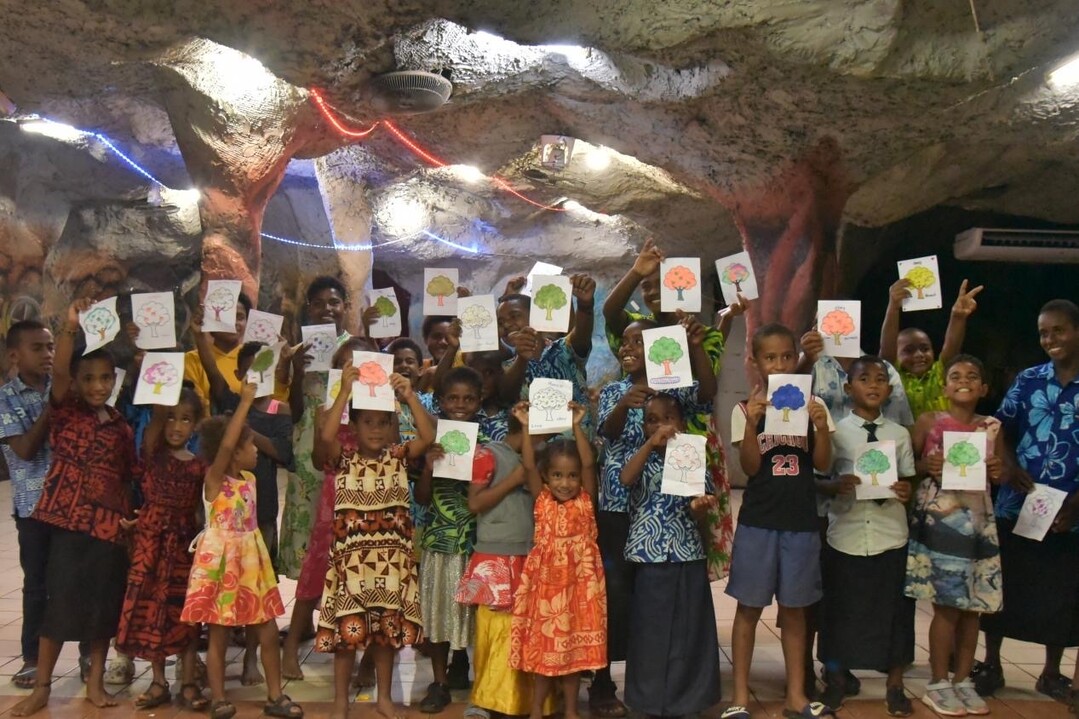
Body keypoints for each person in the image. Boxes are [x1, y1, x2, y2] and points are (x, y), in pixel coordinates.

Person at [12, 299, 137, 717]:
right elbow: (61, 372)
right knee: (58, 607)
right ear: (77, 383)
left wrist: (129, 520)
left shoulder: (119, 424)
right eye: (90, 379)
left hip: (108, 530)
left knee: (101, 611)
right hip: (68, 526)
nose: (98, 386)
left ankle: (96, 685)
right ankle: (42, 688)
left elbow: (127, 474)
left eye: (105, 378)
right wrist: (69, 327)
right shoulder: (65, 411)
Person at [593, 313, 719, 715]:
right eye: (624, 343)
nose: (628, 348)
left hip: (669, 516)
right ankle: (604, 681)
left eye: (638, 342)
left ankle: (669, 683)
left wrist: (696, 347)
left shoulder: (674, 390)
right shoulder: (614, 391)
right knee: (618, 596)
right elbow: (607, 435)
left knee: (661, 606)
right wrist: (624, 406)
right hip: (618, 505)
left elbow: (706, 395)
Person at [602, 238, 735, 588]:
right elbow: (609, 313)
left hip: (686, 447)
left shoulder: (702, 335)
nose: (656, 290)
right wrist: (636, 272)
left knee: (687, 536)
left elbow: (706, 390)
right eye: (649, 285)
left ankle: (688, 611)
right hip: (637, 455)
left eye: (667, 282)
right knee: (638, 548)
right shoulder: (638, 328)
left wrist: (692, 343)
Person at [725, 323, 835, 719]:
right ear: (756, 362)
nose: (779, 363)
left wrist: (821, 427)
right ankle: (738, 696)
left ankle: (796, 696)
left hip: (802, 523)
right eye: (770, 357)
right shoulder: (744, 409)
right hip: (758, 521)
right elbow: (751, 467)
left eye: (787, 356)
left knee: (795, 610)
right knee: (748, 609)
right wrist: (754, 425)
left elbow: (823, 464)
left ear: (796, 358)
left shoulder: (811, 404)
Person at [975, 299, 1079, 708]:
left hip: (1070, 510)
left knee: (1062, 591)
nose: (1050, 339)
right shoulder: (1030, 380)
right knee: (1006, 586)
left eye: (1059, 330)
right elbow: (1001, 425)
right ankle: (992, 663)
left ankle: (1050, 671)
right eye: (1043, 332)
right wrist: (1012, 467)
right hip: (1019, 503)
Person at [314, 361, 431, 719]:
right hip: (351, 566)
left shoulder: (398, 457)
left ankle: (384, 698)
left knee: (385, 637)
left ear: (393, 426)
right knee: (346, 638)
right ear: (355, 424)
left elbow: (427, 438)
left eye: (384, 422)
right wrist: (345, 393)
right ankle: (339, 704)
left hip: (391, 566)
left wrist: (409, 396)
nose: (377, 430)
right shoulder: (344, 459)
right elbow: (325, 438)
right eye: (368, 422)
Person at [180, 382, 302, 719]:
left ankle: (275, 696)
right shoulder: (214, 480)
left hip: (251, 561)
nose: (256, 450)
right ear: (232, 450)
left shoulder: (249, 478)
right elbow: (228, 443)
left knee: (266, 629)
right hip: (222, 564)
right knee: (218, 632)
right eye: (250, 444)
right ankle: (219, 698)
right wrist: (246, 403)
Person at [815, 356, 916, 716]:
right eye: (863, 379)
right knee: (840, 610)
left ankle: (895, 684)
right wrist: (834, 486)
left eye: (880, 380)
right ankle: (837, 679)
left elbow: (908, 480)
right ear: (848, 387)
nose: (872, 385)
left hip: (890, 533)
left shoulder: (899, 434)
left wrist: (905, 490)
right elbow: (820, 477)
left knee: (895, 612)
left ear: (889, 389)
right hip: (847, 532)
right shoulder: (836, 432)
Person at [903, 354, 1003, 716]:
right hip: (941, 523)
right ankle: (938, 681)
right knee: (945, 606)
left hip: (978, 523)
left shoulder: (991, 426)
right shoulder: (930, 421)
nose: (964, 381)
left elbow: (1002, 473)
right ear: (944, 386)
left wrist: (996, 469)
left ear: (984, 387)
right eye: (956, 375)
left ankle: (963, 680)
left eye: (973, 376)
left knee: (972, 607)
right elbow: (905, 465)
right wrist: (923, 465)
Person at [195, 328, 296, 685]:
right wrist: (242, 406)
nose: (258, 380)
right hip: (223, 550)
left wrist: (251, 432)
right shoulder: (226, 407)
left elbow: (284, 454)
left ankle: (258, 671)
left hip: (256, 533)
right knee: (220, 623)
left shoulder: (277, 412)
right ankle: (219, 689)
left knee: (260, 612)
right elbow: (224, 448)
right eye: (250, 372)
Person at [620, 393, 720, 716]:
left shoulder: (691, 456)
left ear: (681, 422)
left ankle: (686, 700)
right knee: (650, 632)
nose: (661, 425)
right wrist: (649, 445)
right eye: (652, 419)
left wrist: (698, 507)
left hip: (685, 553)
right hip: (648, 557)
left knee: (687, 632)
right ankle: (647, 700)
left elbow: (699, 506)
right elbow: (625, 479)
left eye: (669, 418)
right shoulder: (642, 456)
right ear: (644, 425)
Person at [455, 403, 557, 719]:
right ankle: (484, 699)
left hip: (529, 555)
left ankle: (521, 701)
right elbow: (475, 503)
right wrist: (513, 480)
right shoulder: (488, 454)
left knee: (523, 633)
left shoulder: (543, 459)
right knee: (492, 632)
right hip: (494, 555)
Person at [283, 338, 374, 689]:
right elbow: (322, 458)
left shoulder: (381, 410)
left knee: (367, 580)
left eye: (361, 364)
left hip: (371, 503)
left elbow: (389, 447)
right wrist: (341, 400)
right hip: (334, 503)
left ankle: (367, 658)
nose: (354, 370)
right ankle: (291, 646)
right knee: (315, 572)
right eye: (346, 365)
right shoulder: (327, 409)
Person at [511, 402, 606, 719]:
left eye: (572, 475)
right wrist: (525, 427)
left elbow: (590, 464)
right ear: (545, 477)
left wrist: (577, 425)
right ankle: (537, 710)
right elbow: (527, 466)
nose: (565, 482)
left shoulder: (585, 499)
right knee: (547, 653)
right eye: (557, 475)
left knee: (573, 655)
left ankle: (570, 711)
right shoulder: (542, 498)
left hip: (580, 589)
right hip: (548, 591)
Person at [115, 392, 209, 711]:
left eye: (185, 419)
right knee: (151, 608)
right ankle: (158, 680)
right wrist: (160, 387)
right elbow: (155, 424)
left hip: (183, 545)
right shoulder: (153, 454)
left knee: (185, 610)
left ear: (195, 426)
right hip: (150, 543)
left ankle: (188, 683)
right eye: (170, 417)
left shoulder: (199, 467)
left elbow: (200, 509)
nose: (176, 426)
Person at [0, 321, 71, 690]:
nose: (47, 355)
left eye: (50, 347)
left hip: (71, 504)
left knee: (72, 579)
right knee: (36, 584)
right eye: (38, 348)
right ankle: (32, 658)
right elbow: (25, 450)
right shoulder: (5, 398)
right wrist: (52, 406)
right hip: (33, 508)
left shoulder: (62, 387)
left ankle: (88, 653)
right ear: (15, 355)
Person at [414, 367, 486, 712]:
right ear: (440, 401)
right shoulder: (433, 435)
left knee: (478, 617)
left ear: (480, 400)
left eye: (468, 398)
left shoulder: (489, 436)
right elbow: (423, 498)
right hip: (440, 540)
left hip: (477, 540)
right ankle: (439, 682)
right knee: (438, 613)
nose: (461, 405)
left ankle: (483, 683)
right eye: (453, 398)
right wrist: (429, 466)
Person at [281, 277, 352, 590]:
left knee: (340, 517)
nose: (327, 309)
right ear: (309, 308)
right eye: (319, 302)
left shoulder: (354, 347)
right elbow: (294, 412)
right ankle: (306, 608)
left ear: (344, 307)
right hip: (306, 443)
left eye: (334, 302)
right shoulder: (298, 349)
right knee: (308, 521)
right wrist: (297, 373)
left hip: (344, 443)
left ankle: (339, 604)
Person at [496, 275, 595, 431]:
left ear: (536, 316)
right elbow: (506, 397)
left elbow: (582, 334)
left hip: (578, 449)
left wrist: (585, 305)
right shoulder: (505, 368)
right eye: (500, 323)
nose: (507, 324)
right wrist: (522, 359)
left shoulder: (563, 349)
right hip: (534, 452)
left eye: (514, 316)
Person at [879, 278, 982, 419]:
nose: (919, 354)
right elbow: (887, 352)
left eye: (925, 348)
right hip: (902, 440)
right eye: (909, 350)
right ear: (896, 355)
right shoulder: (893, 377)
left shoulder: (941, 374)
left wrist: (958, 317)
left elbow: (952, 346)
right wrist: (893, 307)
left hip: (941, 440)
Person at [184, 292, 289, 416]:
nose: (234, 323)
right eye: (228, 317)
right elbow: (194, 405)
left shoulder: (255, 358)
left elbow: (275, 403)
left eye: (240, 317)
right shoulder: (192, 359)